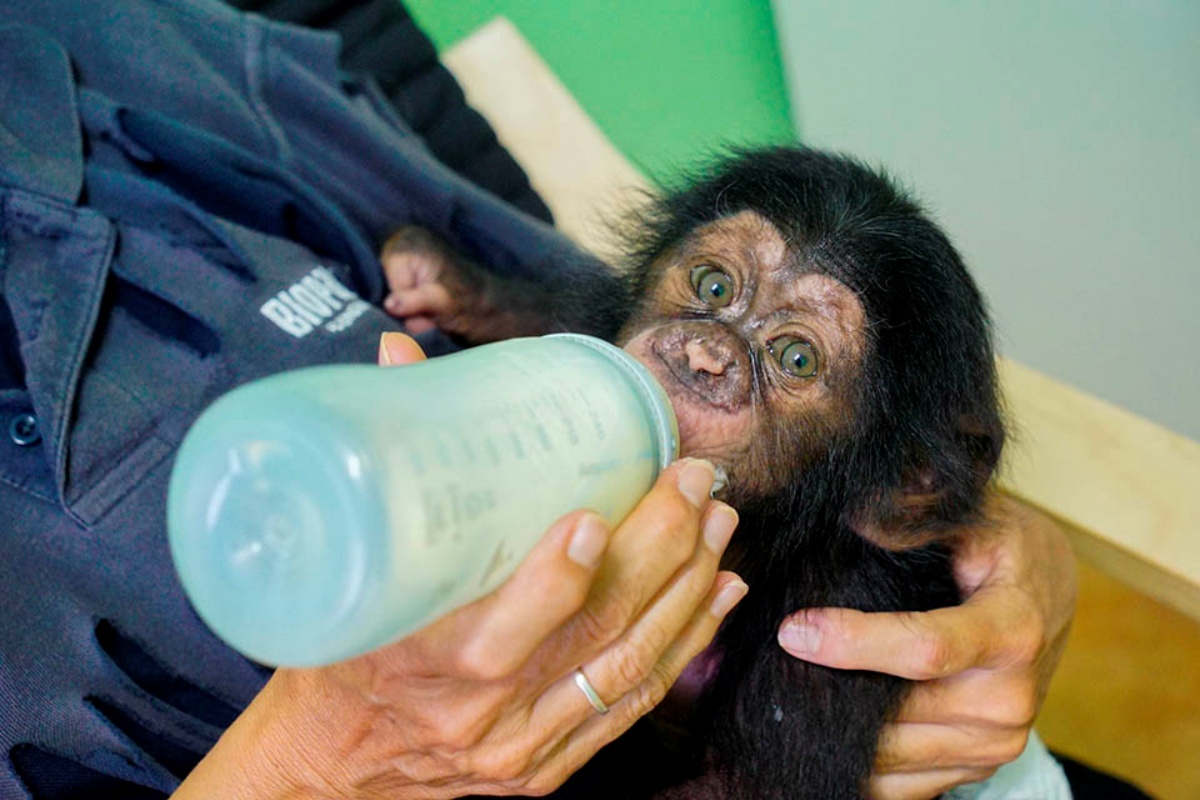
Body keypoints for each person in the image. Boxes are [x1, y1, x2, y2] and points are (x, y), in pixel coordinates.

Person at [0, 1, 1076, 798]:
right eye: (711, 285)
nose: (707, 347)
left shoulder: (828, 648)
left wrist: (1007, 555)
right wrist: (309, 760)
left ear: (899, 490)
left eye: (793, 356)